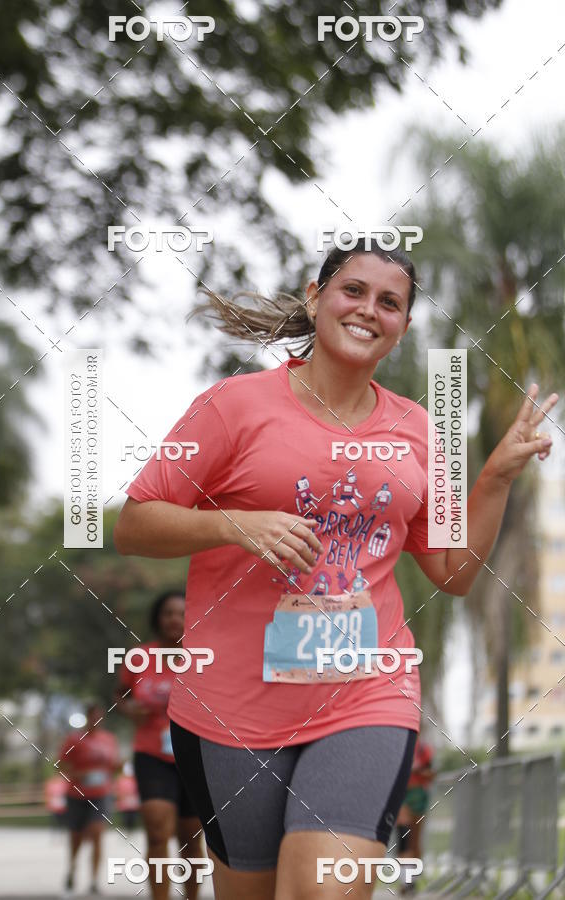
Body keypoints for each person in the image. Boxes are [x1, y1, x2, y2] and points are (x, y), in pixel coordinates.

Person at [114, 238, 557, 900]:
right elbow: (135, 522)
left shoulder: (417, 431)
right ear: (318, 298)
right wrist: (234, 523)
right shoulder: (233, 405)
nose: (369, 310)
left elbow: (452, 571)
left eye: (390, 302)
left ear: (403, 326)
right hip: (231, 711)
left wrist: (493, 477)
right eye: (353, 291)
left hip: (366, 694)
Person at [115, 590, 204, 900]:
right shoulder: (139, 657)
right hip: (151, 752)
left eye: (182, 613)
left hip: (194, 753)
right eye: (168, 613)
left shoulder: (204, 657)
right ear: (157, 618)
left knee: (191, 838)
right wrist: (129, 711)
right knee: (156, 830)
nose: (175, 620)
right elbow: (121, 694)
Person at [58, 702, 119, 897]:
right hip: (77, 794)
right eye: (93, 716)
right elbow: (60, 765)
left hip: (101, 794)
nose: (96, 720)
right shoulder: (74, 739)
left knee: (96, 833)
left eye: (100, 717)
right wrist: (79, 774)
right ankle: (72, 868)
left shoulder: (109, 739)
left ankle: (94, 880)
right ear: (87, 718)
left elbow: (113, 765)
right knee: (76, 837)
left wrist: (117, 770)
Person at [396, 737, 435, 893]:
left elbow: (431, 773)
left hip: (418, 795)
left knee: (414, 840)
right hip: (401, 794)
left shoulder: (423, 749)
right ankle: (406, 881)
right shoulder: (396, 745)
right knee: (403, 835)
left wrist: (417, 770)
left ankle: (412, 879)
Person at [115, 761, 140, 832]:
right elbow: (117, 791)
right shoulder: (120, 780)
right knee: (125, 821)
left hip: (133, 805)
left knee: (133, 821)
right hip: (124, 806)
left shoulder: (135, 780)